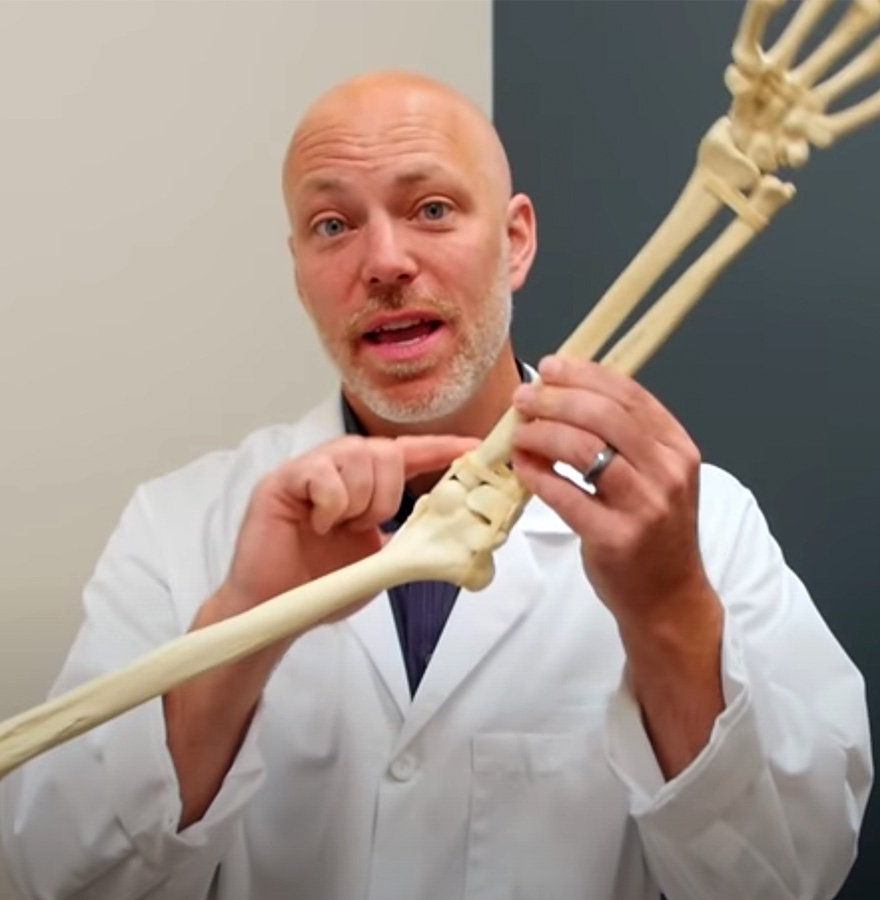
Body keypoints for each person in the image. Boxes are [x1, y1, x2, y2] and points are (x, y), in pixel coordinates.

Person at [0, 70, 872, 900]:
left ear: (516, 240)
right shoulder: (182, 527)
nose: (384, 261)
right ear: (299, 268)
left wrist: (671, 609)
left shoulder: (700, 524)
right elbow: (64, 878)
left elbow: (789, 876)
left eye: (432, 209)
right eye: (333, 226)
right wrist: (243, 622)